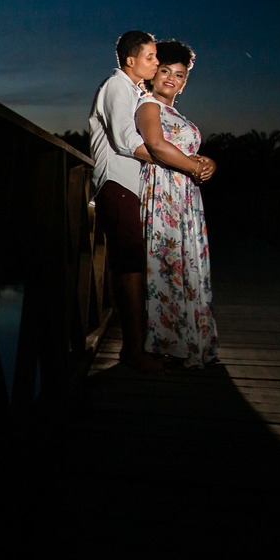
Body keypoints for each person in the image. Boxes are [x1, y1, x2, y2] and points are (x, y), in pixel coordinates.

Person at [89, 30, 178, 373]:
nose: (157, 63)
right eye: (151, 57)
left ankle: (141, 345)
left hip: (133, 187)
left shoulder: (135, 91)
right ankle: (133, 351)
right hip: (117, 184)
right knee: (129, 268)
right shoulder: (116, 87)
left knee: (136, 266)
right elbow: (126, 140)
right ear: (131, 60)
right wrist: (177, 163)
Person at [135, 39, 219, 368]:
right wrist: (194, 166)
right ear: (153, 74)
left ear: (185, 82)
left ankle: (190, 339)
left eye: (180, 75)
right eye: (166, 71)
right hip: (163, 192)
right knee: (167, 266)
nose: (172, 78)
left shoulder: (175, 112)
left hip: (185, 193)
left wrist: (207, 163)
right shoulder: (148, 104)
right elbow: (156, 146)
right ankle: (166, 343)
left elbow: (186, 152)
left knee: (187, 264)